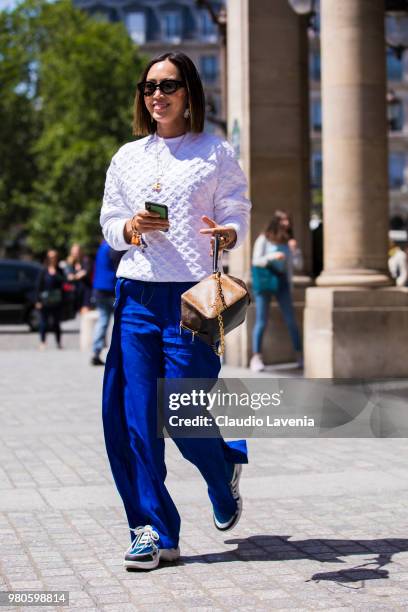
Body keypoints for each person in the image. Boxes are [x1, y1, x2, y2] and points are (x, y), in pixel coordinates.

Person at [100, 52, 251, 571]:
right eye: (148, 87)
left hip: (194, 300)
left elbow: (236, 207)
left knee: (184, 418)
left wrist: (229, 231)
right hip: (137, 295)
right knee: (136, 420)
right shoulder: (127, 156)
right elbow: (110, 222)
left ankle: (223, 466)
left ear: (189, 92)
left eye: (168, 85)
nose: (156, 95)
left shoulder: (215, 151)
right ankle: (154, 532)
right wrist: (131, 228)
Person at [250, 210, 303, 372]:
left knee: (291, 320)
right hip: (265, 281)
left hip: (282, 283)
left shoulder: (288, 242)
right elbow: (256, 261)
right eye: (283, 221)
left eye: (288, 221)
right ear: (276, 222)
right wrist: (273, 257)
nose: (286, 224)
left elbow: (298, 266)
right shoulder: (263, 239)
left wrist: (295, 252)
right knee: (261, 320)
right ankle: (256, 357)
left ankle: (299, 355)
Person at [90, 240, 123, 366]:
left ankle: (96, 351)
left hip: (98, 288)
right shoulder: (114, 246)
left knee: (103, 321)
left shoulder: (101, 247)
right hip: (110, 289)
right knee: (119, 322)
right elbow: (119, 266)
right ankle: (118, 353)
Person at [35, 249, 64, 350]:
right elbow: (39, 286)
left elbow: (63, 282)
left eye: (54, 257)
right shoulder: (43, 270)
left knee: (56, 323)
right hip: (45, 300)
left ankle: (58, 342)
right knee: (43, 322)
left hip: (56, 300)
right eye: (51, 257)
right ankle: (43, 342)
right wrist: (38, 301)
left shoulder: (59, 270)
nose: (53, 259)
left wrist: (56, 273)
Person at [63, 243, 93, 313]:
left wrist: (74, 276)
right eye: (74, 252)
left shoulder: (86, 260)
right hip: (75, 292)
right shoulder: (70, 262)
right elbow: (68, 276)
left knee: (85, 312)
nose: (76, 254)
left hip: (86, 290)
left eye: (77, 252)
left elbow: (83, 273)